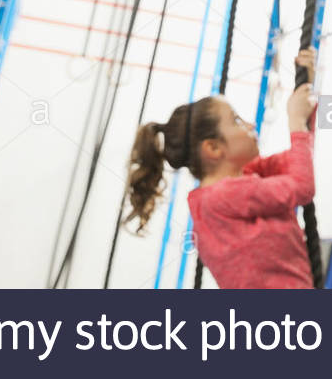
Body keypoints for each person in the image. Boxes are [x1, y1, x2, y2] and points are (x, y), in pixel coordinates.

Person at [125, 48, 319, 288]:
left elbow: (299, 160)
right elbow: (302, 186)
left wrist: (307, 87)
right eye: (237, 121)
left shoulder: (235, 184)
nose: (249, 124)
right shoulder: (226, 195)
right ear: (214, 149)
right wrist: (296, 121)